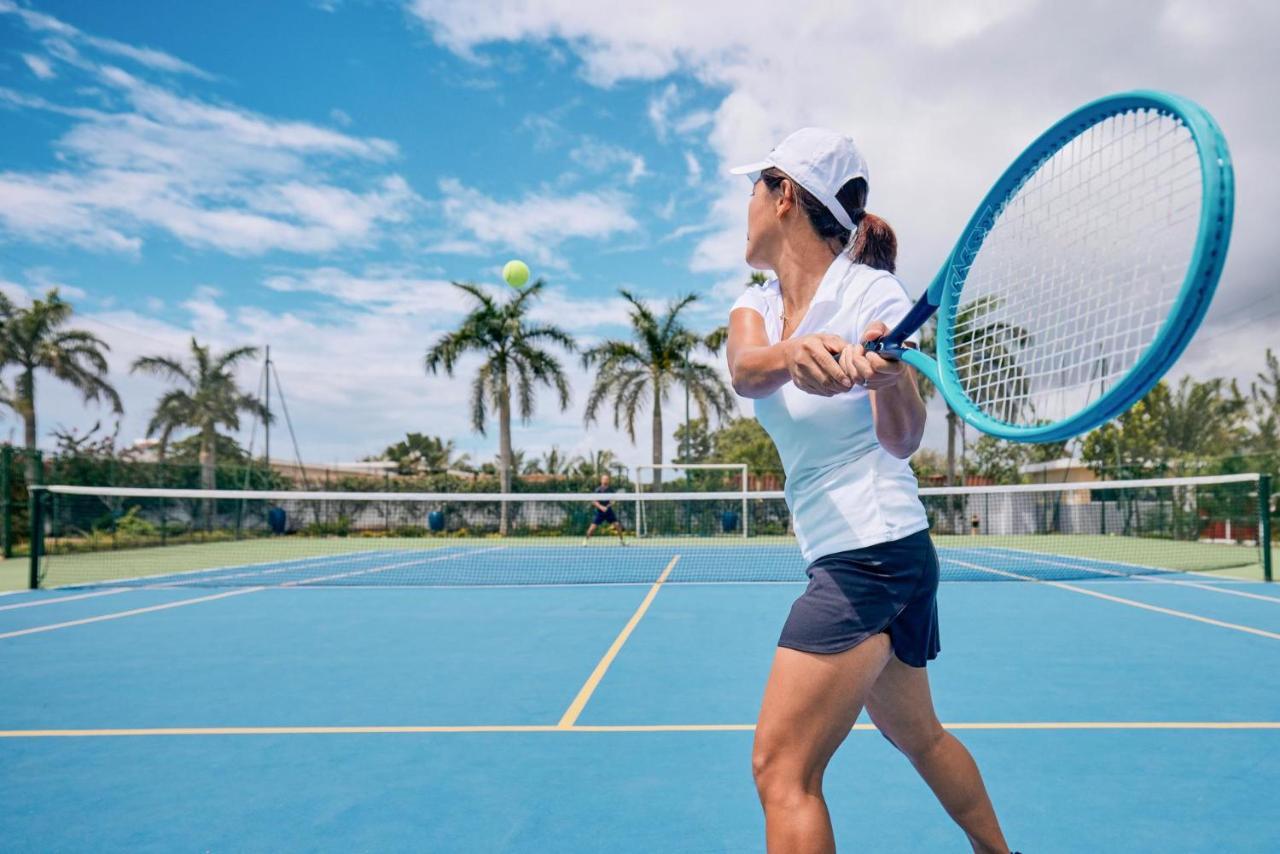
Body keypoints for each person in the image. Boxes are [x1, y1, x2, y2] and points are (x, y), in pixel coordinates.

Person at [725, 128, 1013, 854]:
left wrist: (890, 382)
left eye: (754, 187)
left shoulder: (869, 293)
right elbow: (747, 369)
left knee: (781, 769)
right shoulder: (755, 303)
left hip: (871, 550)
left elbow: (902, 438)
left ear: (784, 194)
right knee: (917, 734)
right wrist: (795, 355)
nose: (746, 203)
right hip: (875, 553)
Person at [582, 472, 625, 545]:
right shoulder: (597, 490)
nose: (606, 480)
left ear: (609, 481)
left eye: (607, 479)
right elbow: (594, 501)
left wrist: (610, 504)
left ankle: (621, 541)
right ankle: (585, 541)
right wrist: (601, 507)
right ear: (601, 480)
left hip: (609, 512)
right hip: (599, 513)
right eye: (604, 479)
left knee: (617, 525)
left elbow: (613, 500)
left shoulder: (611, 490)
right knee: (592, 528)